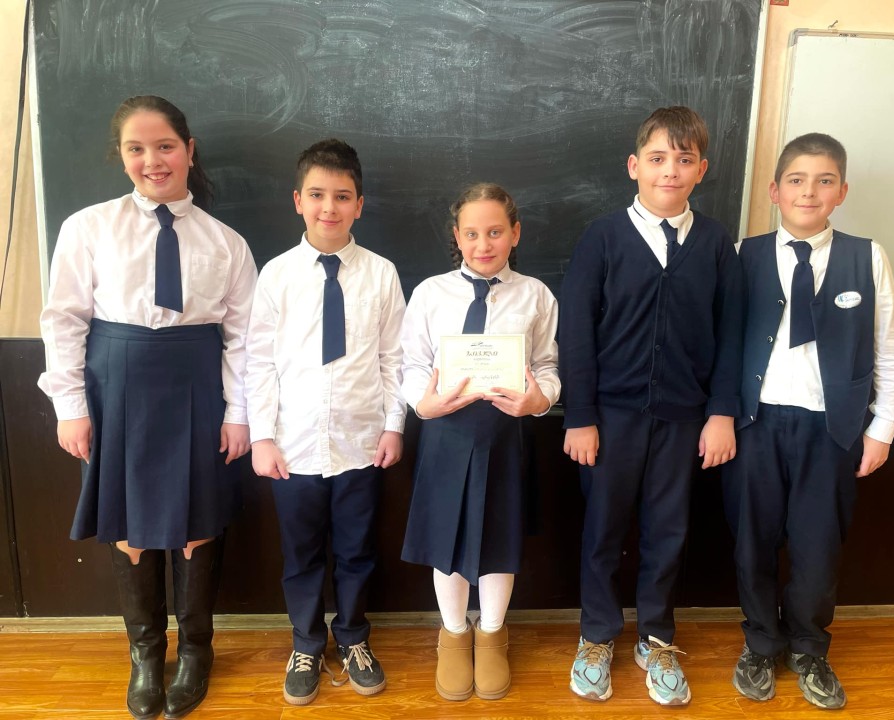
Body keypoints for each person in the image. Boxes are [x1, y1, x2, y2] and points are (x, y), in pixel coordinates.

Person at [37, 95, 258, 720]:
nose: (152, 160)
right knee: (130, 524)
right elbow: (64, 319)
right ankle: (145, 652)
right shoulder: (88, 228)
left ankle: (196, 650)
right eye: (136, 148)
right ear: (121, 156)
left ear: (189, 150)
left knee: (197, 521)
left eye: (165, 146)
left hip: (197, 386)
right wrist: (70, 405)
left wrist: (238, 413)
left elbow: (245, 339)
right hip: (117, 386)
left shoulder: (227, 242)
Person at [723, 133, 894, 710]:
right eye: (797, 180)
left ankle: (809, 647)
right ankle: (761, 642)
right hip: (754, 425)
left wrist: (881, 430)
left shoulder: (867, 257)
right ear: (774, 191)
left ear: (842, 192)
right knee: (751, 541)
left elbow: (892, 351)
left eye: (824, 180)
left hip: (832, 431)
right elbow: (720, 347)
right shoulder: (742, 254)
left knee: (818, 546)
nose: (809, 191)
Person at [559, 106, 743, 706]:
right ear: (634, 166)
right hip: (610, 417)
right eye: (659, 158)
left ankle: (657, 637)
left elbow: (732, 332)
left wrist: (721, 412)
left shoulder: (715, 243)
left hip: (684, 416)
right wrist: (580, 416)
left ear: (701, 170)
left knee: (669, 529)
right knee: (603, 529)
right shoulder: (603, 237)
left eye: (684, 160)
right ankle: (597, 634)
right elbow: (576, 333)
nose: (671, 170)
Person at [244, 139, 405, 705]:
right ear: (298, 201)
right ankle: (307, 642)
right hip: (293, 446)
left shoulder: (382, 274)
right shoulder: (277, 275)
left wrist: (394, 425)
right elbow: (259, 362)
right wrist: (262, 436)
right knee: (302, 554)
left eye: (341, 196)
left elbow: (394, 358)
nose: (328, 207)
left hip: (361, 442)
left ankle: (354, 636)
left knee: (358, 550)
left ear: (359, 204)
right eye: (317, 195)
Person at [400, 182, 560, 701]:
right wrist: (422, 404)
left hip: (505, 435)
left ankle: (492, 634)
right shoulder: (430, 293)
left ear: (515, 233)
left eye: (494, 232)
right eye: (471, 233)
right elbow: (412, 364)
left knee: (499, 539)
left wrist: (540, 399)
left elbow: (547, 366)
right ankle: (453, 634)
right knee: (445, 540)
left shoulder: (536, 295)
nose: (483, 244)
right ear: (457, 236)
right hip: (445, 434)